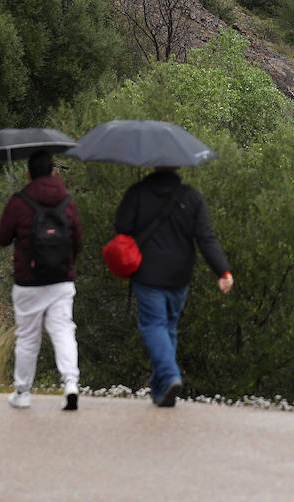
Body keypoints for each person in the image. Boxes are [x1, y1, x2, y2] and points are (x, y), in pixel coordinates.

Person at [114, 166, 233, 408]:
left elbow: (121, 226)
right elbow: (206, 238)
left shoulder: (138, 192)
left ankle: (169, 376)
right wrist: (223, 270)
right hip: (180, 275)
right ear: (177, 166)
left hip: (147, 272)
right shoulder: (192, 197)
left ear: (153, 164)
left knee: (153, 325)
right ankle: (161, 391)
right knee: (168, 327)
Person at [0, 150, 82, 411]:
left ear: (28, 173)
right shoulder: (67, 201)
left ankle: (22, 392)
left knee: (28, 338)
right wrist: (66, 264)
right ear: (53, 172)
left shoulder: (19, 201)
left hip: (28, 282)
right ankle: (71, 383)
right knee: (63, 330)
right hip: (61, 280)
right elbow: (77, 241)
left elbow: (1, 238)